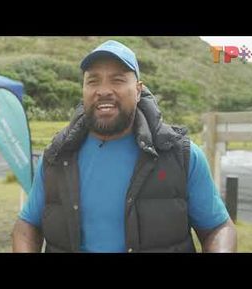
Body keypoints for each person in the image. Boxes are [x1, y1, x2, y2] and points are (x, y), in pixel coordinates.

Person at [12, 40, 237, 253]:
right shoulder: (56, 156)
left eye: (117, 80)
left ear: (138, 90)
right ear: (83, 90)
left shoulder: (181, 155)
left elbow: (218, 228)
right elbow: (26, 226)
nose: (104, 90)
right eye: (93, 81)